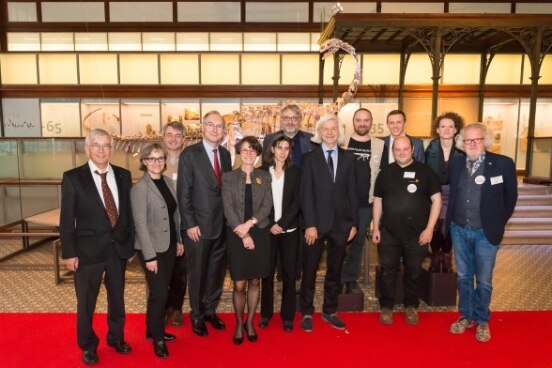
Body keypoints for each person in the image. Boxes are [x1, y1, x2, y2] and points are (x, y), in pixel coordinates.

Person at [60, 128, 134, 365]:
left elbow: (128, 215)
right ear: (87, 148)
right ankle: (88, 345)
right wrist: (69, 252)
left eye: (106, 145)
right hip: (87, 253)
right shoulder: (73, 177)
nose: (102, 150)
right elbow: (66, 219)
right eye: (97, 145)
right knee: (86, 303)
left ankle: (116, 338)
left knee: (117, 299)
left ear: (112, 149)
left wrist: (129, 245)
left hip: (117, 251)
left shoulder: (123, 175)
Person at [446, 123, 517, 343]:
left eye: (477, 139)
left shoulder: (502, 164)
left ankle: (482, 319)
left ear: (485, 140)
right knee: (464, 276)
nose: (473, 144)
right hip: (459, 228)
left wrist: (496, 222)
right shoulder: (457, 164)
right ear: (461, 143)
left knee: (484, 279)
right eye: (468, 140)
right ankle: (465, 315)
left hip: (486, 232)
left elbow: (510, 198)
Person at [372, 136, 441, 325]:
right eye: (397, 149)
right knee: (387, 271)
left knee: (414, 272)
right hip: (388, 233)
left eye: (405, 149)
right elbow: (378, 201)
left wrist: (429, 229)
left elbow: (437, 201)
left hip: (417, 234)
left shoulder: (426, 172)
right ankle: (386, 306)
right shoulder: (385, 173)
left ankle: (411, 306)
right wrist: (376, 226)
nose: (401, 152)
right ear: (393, 151)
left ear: (412, 150)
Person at [300, 114, 358, 332]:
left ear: (339, 132)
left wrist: (354, 223)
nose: (330, 132)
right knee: (310, 270)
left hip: (341, 225)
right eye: (326, 129)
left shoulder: (348, 158)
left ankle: (330, 310)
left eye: (334, 128)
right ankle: (306, 311)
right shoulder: (309, 158)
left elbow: (353, 191)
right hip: (315, 225)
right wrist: (310, 224)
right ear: (319, 132)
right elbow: (305, 194)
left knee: (335, 270)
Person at [177, 111, 232, 337]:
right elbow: (184, 192)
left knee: (216, 273)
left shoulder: (227, 155)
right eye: (211, 125)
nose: (215, 129)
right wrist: (189, 224)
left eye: (219, 126)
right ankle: (197, 314)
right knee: (198, 273)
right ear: (202, 127)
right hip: (198, 228)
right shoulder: (190, 154)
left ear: (223, 130)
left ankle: (210, 310)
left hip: (222, 226)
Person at [131, 143, 184, 358]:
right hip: (151, 249)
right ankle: (158, 339)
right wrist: (150, 255)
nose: (157, 162)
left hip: (169, 246)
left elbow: (175, 216)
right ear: (144, 161)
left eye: (160, 158)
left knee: (164, 290)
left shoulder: (168, 182)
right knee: (159, 293)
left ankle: (151, 329)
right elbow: (140, 225)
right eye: (151, 159)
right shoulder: (139, 189)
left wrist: (179, 240)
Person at [222, 136, 273, 344]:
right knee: (240, 284)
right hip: (236, 235)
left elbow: (266, 207)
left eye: (253, 150)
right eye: (244, 150)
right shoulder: (228, 177)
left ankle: (250, 322)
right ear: (238, 152)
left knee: (255, 281)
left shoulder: (265, 176)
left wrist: (249, 225)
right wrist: (243, 233)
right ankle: (238, 323)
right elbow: (228, 208)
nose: (249, 154)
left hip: (260, 234)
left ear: (258, 153)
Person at [259, 135, 301, 331]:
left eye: (287, 148)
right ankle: (266, 313)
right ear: (272, 149)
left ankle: (287, 316)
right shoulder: (261, 172)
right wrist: (270, 223)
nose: (283, 151)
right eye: (280, 147)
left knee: (289, 273)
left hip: (289, 229)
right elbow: (258, 203)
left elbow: (297, 203)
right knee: (266, 273)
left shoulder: (295, 173)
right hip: (267, 230)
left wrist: (282, 224)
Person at [341, 108, 384, 293]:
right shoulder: (342, 143)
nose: (362, 123)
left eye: (366, 120)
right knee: (338, 242)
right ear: (353, 121)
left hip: (365, 204)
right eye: (359, 120)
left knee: (357, 242)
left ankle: (349, 278)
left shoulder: (379, 146)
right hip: (341, 203)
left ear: (371, 122)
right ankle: (336, 275)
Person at [425, 112, 465, 272]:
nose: (447, 129)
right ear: (437, 130)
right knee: (434, 225)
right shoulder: (430, 148)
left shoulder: (463, 149)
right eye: (443, 126)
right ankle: (435, 257)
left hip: (455, 193)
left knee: (449, 226)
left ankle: (447, 257)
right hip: (434, 193)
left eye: (450, 126)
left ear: (456, 130)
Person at [162, 121, 188, 327]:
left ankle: (177, 307)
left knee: (180, 269)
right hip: (161, 224)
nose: (173, 139)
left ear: (183, 139)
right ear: (163, 137)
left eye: (177, 135)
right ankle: (163, 308)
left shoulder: (189, 160)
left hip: (183, 222)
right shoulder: (155, 159)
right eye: (169, 134)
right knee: (162, 269)